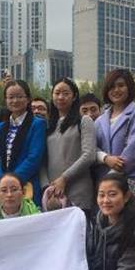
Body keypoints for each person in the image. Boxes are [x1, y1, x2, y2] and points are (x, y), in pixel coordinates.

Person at [0, 80, 47, 207]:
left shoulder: (37, 124)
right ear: (5, 100)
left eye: (20, 96)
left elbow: (34, 158)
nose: (15, 101)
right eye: (11, 97)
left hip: (26, 185)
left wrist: (12, 182)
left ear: (28, 99)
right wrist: (0, 181)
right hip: (0, 187)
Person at [42, 78, 96, 213]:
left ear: (74, 96)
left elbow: (89, 155)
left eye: (66, 93)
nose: (61, 97)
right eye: (57, 93)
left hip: (78, 193)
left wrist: (64, 178)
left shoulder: (84, 121)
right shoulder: (47, 125)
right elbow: (41, 160)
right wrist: (47, 187)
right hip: (52, 195)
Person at [94, 69, 135, 189]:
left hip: (127, 184)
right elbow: (92, 148)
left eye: (121, 85)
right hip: (101, 185)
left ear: (129, 88)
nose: (116, 90)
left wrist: (109, 181)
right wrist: (105, 158)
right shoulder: (99, 120)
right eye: (112, 86)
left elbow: (132, 155)